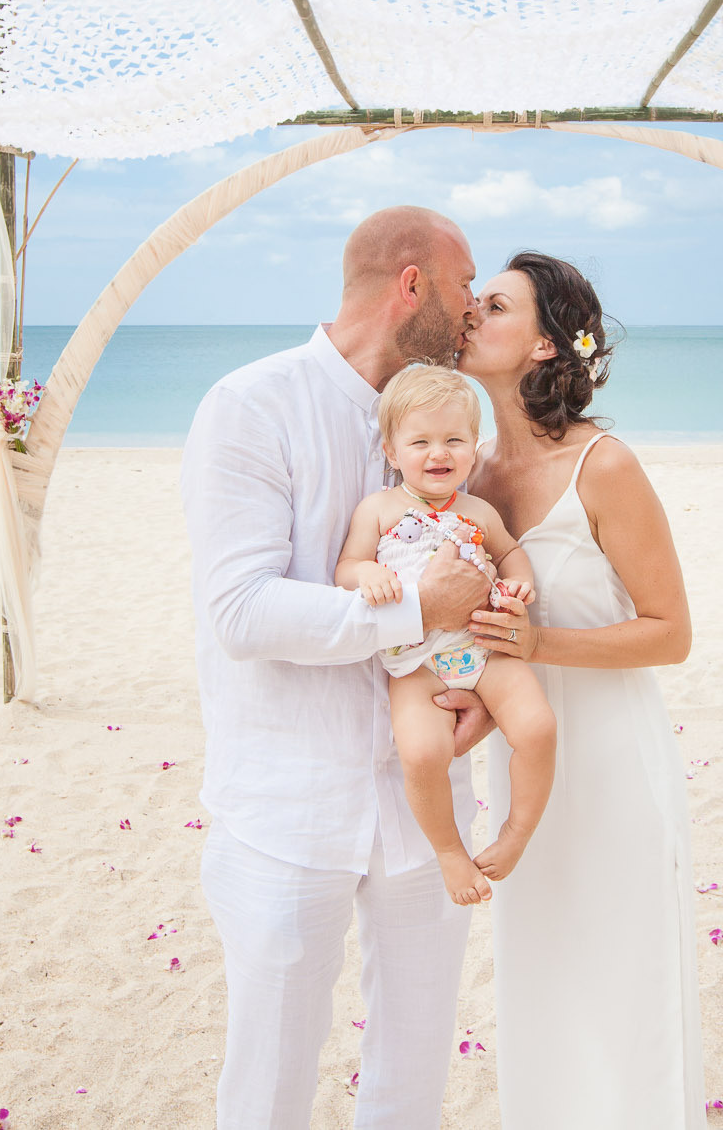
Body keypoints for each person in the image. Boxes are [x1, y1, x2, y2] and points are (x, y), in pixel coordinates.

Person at [181, 206, 498, 1129]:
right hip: (288, 804)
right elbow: (242, 611)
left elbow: (481, 573)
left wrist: (481, 685)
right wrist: (415, 609)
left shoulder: (449, 424)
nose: (474, 304)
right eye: (465, 281)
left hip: (424, 801)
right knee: (270, 1082)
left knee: (414, 1072)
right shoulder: (251, 405)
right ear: (412, 284)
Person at [458, 250, 708, 1129]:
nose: (471, 311)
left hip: (611, 767)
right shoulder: (467, 475)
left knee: (626, 990)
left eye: (495, 304)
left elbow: (670, 631)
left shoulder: (603, 464)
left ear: (545, 345)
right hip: (524, 776)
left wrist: (540, 642)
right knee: (544, 984)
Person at [336, 363, 556, 906]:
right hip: (416, 663)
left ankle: (517, 831)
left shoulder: (479, 510)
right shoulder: (379, 509)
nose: (439, 453)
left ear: (474, 447)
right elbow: (347, 567)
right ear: (391, 452)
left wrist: (520, 582)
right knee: (422, 754)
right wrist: (369, 575)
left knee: (538, 728)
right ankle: (450, 851)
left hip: (484, 646)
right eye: (421, 442)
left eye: (454, 440)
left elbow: (509, 552)